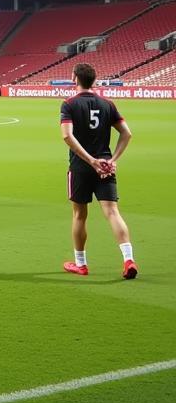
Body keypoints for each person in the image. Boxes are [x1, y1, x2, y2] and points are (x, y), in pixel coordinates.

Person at [60, 62, 137, 279]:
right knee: (113, 212)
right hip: (106, 166)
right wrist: (112, 159)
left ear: (74, 78)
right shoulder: (107, 104)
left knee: (79, 215)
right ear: (94, 80)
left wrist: (90, 161)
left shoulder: (69, 104)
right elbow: (126, 134)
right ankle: (128, 259)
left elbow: (67, 136)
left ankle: (81, 264)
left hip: (81, 167)